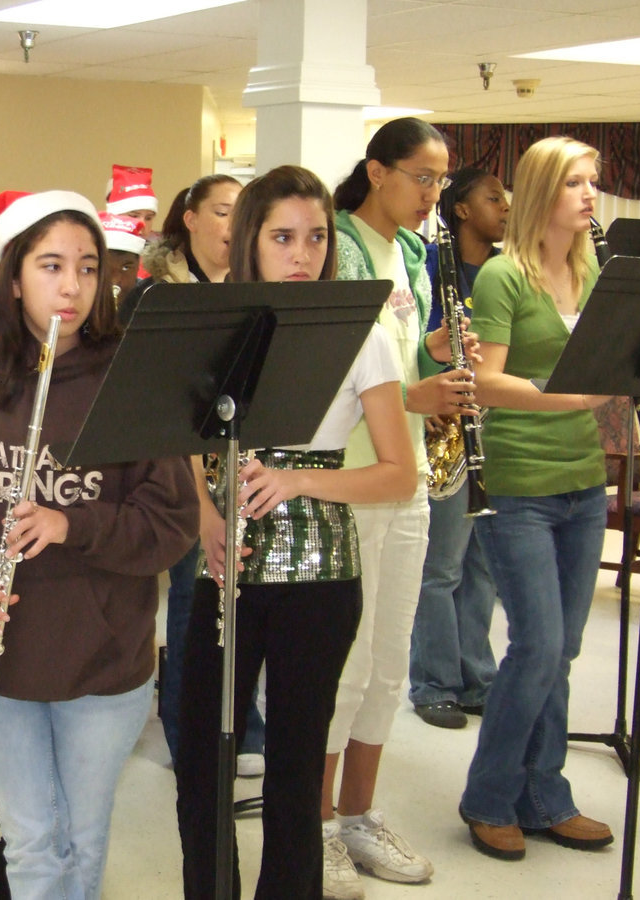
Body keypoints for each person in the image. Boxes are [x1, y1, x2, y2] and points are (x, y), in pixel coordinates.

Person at [0, 189, 198, 900]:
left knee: (82, 839)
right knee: (35, 842)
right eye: (51, 265)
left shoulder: (130, 381)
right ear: (12, 277)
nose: (72, 286)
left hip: (101, 661)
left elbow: (172, 524)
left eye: (89, 267)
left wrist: (75, 524)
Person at [172, 165, 416, 900]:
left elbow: (399, 473)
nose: (302, 253)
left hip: (322, 578)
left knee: (295, 771)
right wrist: (209, 513)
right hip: (229, 572)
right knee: (201, 766)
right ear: (252, 241)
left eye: (315, 237)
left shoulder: (360, 334)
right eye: (283, 237)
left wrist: (302, 479)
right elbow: (182, 439)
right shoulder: (214, 324)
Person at [325, 116, 479, 895]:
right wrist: (411, 391)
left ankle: (360, 815)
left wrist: (443, 357)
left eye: (442, 180)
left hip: (409, 474)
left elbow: (407, 358)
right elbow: (326, 380)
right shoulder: (335, 248)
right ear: (377, 172)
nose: (433, 195)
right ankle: (316, 825)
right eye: (422, 177)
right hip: (352, 478)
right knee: (345, 665)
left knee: (388, 664)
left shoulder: (414, 253)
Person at [459, 135, 614, 861]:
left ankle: (546, 795)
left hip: (585, 479)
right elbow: (484, 382)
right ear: (543, 192)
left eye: (595, 181)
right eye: (577, 183)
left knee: (566, 650)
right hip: (519, 484)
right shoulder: (502, 277)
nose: (590, 194)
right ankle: (490, 797)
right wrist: (569, 397)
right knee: (538, 645)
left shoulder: (593, 272)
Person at [126, 174, 244, 765]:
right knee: (190, 605)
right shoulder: (154, 297)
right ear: (190, 219)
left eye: (242, 214)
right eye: (222, 211)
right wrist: (202, 506)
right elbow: (169, 415)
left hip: (233, 477)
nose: (233, 225)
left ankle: (232, 719)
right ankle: (184, 731)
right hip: (166, 480)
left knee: (227, 605)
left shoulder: (249, 292)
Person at [409, 166, 510, 729]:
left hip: (493, 424)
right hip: (447, 425)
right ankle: (434, 682)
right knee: (441, 567)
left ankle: (479, 676)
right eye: (493, 198)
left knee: (481, 568)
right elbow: (418, 348)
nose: (505, 207)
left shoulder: (505, 272)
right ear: (463, 210)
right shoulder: (431, 265)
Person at [98, 211, 146, 302]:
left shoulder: (148, 299)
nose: (115, 280)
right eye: (106, 268)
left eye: (126, 268)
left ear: (137, 266)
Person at [105, 163, 160, 241]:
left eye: (148, 218)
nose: (142, 224)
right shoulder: (96, 246)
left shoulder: (161, 250)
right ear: (113, 217)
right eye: (134, 216)